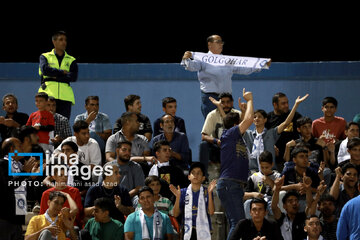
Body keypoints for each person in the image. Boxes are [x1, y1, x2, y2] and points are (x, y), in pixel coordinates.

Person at [181, 34, 268, 119]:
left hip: (227, 99)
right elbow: (191, 66)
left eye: (221, 42)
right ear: (209, 44)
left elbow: (242, 68)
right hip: (211, 99)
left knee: (231, 125)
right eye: (218, 42)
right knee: (213, 126)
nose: (221, 44)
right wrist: (186, 59)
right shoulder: (202, 59)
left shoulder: (227, 60)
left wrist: (259, 65)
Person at [215, 88, 253, 239]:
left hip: (233, 184)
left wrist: (242, 111)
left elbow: (244, 122)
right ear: (235, 125)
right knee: (238, 223)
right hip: (229, 184)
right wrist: (250, 100)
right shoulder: (230, 134)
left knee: (237, 223)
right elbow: (248, 120)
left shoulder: (233, 136)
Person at [243, 94, 309, 172]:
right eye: (255, 117)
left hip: (275, 167)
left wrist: (296, 104)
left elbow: (285, 123)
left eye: (260, 117)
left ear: (265, 120)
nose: (257, 119)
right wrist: (244, 110)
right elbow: (243, 124)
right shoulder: (249, 134)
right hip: (253, 171)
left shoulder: (271, 133)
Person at [0, 137, 36, 240]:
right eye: (20, 146)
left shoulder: (20, 165)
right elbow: (9, 185)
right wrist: (25, 173)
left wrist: (31, 177)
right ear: (12, 149)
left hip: (18, 216)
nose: (23, 148)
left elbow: (23, 188)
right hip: (4, 216)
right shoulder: (2, 163)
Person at [200, 92, 242, 178]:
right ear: (219, 103)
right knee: (203, 145)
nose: (225, 105)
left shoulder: (237, 114)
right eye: (222, 102)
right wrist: (216, 141)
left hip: (233, 146)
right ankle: (204, 176)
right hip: (216, 146)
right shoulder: (212, 115)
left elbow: (240, 133)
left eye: (228, 102)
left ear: (232, 103)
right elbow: (204, 136)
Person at [170, 162, 216, 240]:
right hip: (188, 230)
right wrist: (178, 197)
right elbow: (175, 214)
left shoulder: (207, 191)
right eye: (193, 173)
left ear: (203, 178)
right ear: (188, 177)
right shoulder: (182, 192)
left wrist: (209, 193)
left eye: (199, 173)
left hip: (203, 229)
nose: (195, 175)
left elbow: (211, 212)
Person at [38, 30, 78, 119]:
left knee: (63, 125)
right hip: (47, 95)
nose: (64, 42)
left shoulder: (71, 60)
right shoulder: (45, 56)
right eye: (61, 40)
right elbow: (45, 70)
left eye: (65, 40)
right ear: (54, 41)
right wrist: (61, 72)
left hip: (65, 97)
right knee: (46, 124)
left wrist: (54, 75)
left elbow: (73, 77)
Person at [265, 92, 304, 170]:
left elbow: (305, 136)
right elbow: (264, 137)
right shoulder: (268, 118)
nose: (286, 105)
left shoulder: (295, 116)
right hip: (275, 160)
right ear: (275, 105)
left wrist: (296, 142)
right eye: (283, 103)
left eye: (287, 103)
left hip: (293, 159)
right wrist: (270, 145)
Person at [271, 176, 314, 240]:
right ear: (284, 206)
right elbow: (274, 206)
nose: (294, 203)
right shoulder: (281, 218)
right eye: (290, 201)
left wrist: (307, 189)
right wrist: (277, 189)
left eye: (296, 201)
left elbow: (310, 205)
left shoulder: (302, 217)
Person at [243, 151, 281, 219]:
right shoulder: (254, 177)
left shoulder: (277, 176)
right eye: (262, 167)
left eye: (267, 167)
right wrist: (254, 194)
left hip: (272, 202)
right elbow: (244, 194)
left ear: (272, 165)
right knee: (247, 203)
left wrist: (270, 182)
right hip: (258, 201)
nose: (264, 170)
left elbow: (279, 191)